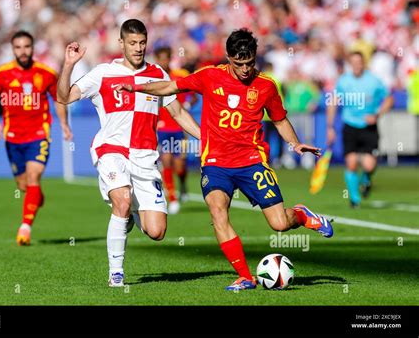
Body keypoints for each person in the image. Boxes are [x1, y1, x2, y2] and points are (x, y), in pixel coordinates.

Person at [117, 28, 334, 291]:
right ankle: (245, 276)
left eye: (250, 63)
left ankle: (301, 214)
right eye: (239, 64)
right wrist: (136, 87)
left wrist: (294, 142)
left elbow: (279, 118)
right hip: (216, 163)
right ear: (229, 58)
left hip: (252, 160)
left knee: (279, 223)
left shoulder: (266, 85)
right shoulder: (210, 76)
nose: (245, 69)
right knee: (218, 212)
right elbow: (170, 86)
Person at [56, 19, 200, 287]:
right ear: (121, 43)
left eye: (142, 43)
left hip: (145, 157)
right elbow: (64, 97)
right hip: (112, 150)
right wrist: (68, 65)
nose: (138, 48)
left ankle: (131, 215)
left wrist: (206, 138)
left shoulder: (158, 74)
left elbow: (178, 112)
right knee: (121, 199)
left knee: (156, 232)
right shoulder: (102, 73)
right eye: (132, 43)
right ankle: (116, 273)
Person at [0, 30, 73, 246]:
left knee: (34, 177)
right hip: (13, 137)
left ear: (33, 48)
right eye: (18, 47)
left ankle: (25, 228)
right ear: (13, 49)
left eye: (26, 47)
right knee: (23, 185)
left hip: (39, 134)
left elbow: (60, 99)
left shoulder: (46, 73)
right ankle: (36, 197)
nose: (23, 51)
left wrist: (63, 123)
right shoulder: (1, 74)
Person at [327, 51, 393, 208]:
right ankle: (354, 200)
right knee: (351, 163)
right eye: (353, 62)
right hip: (350, 125)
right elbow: (333, 102)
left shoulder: (374, 81)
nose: (357, 65)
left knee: (369, 165)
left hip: (369, 127)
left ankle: (366, 180)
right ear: (350, 64)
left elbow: (389, 99)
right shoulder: (343, 81)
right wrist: (330, 127)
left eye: (359, 62)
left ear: (364, 63)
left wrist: (377, 115)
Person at [154, 46, 191, 214]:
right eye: (160, 59)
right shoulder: (153, 80)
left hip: (179, 127)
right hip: (163, 129)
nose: (163, 62)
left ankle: (182, 183)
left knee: (180, 164)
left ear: (169, 59)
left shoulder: (180, 75)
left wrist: (188, 104)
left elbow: (193, 93)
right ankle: (173, 199)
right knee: (166, 161)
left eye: (165, 58)